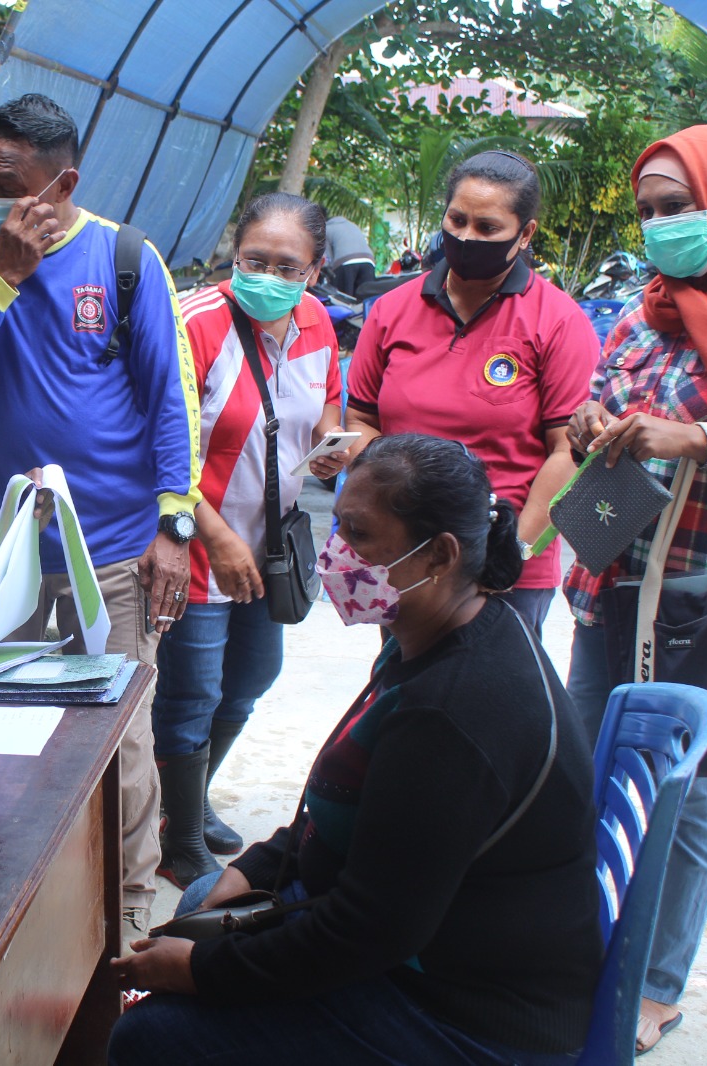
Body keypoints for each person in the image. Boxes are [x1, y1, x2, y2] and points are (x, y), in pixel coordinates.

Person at [110, 434, 602, 1066]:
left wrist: (202, 972)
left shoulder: (451, 713)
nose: (336, 551)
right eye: (338, 525)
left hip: (469, 1015)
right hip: (414, 941)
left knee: (149, 1036)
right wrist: (259, 866)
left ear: (439, 555)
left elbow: (366, 932)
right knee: (209, 892)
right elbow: (355, 801)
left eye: (360, 534)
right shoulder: (442, 631)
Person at [0, 92, 202, 944]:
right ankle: (5, 900)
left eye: (8, 185)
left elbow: (173, 401)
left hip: (111, 553)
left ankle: (129, 916)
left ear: (62, 183)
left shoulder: (125, 258)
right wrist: (0, 278)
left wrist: (173, 527)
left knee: (117, 744)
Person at [564, 124, 707, 1056]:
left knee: (687, 795)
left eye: (676, 207)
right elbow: (596, 402)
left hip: (700, 595)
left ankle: (655, 983)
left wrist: (700, 442)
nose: (658, 226)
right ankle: (572, 947)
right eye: (647, 211)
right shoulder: (645, 313)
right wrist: (591, 423)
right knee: (581, 762)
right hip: (611, 573)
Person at [157, 192, 350, 887]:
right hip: (197, 543)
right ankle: (180, 840)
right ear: (233, 256)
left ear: (315, 270)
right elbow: (158, 442)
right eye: (254, 260)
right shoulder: (193, 323)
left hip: (270, 547)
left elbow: (328, 399)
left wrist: (329, 441)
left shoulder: (317, 321)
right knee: (192, 693)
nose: (268, 276)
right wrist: (214, 537)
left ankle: (186, 801)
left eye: (287, 266)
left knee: (250, 680)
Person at [347, 149, 600, 632]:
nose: (466, 237)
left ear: (525, 233)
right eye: (457, 220)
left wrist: (510, 555)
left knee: (493, 676)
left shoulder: (558, 321)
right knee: (406, 677)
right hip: (405, 559)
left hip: (506, 571)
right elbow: (360, 420)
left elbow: (567, 453)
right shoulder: (392, 311)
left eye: (487, 227)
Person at [324, 214, 378, 297]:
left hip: (346, 262)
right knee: (366, 296)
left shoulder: (326, 229)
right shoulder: (352, 225)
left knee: (345, 298)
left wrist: (328, 273)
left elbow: (327, 258)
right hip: (368, 261)